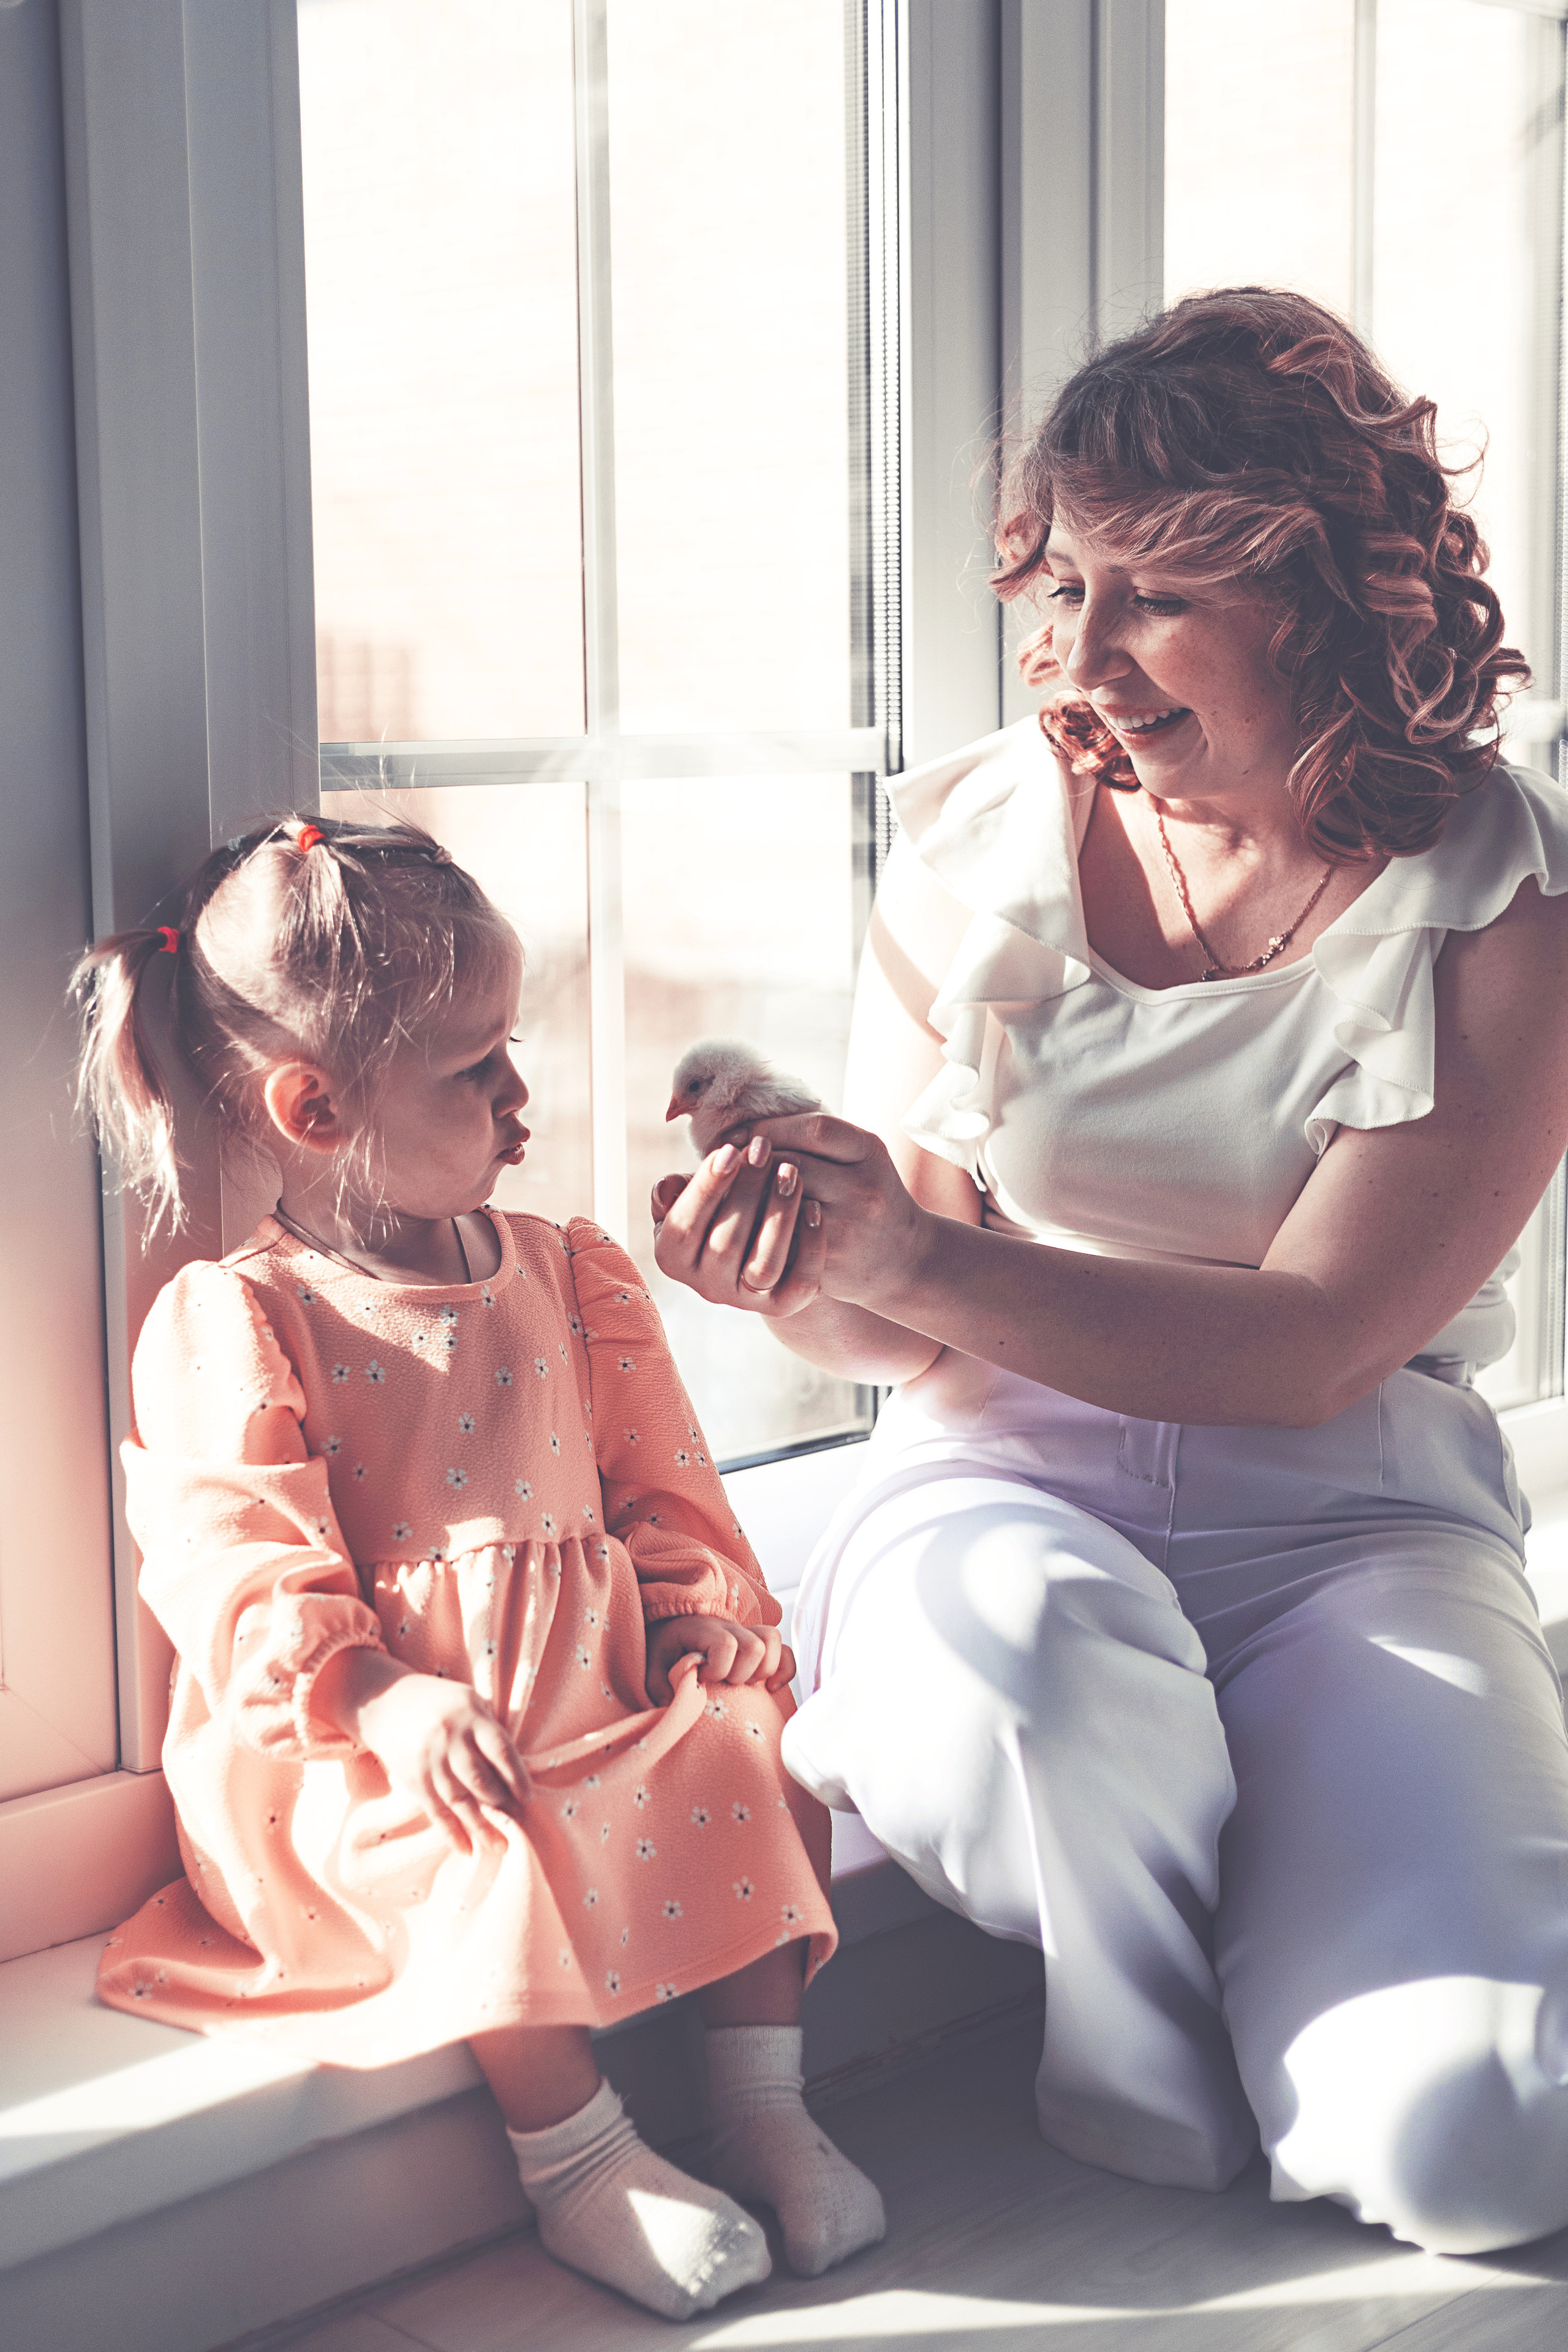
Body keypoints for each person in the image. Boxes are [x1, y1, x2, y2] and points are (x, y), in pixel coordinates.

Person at [652, 288, 1568, 2256]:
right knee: (1042, 1666)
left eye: (1154, 594)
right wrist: (801, 1263)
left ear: (1328, 601)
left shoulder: (1496, 889)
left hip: (1353, 1533)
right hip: (1001, 1491)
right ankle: (1131, 2050)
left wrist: (906, 1255)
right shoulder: (983, 834)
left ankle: (1304, 1863)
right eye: (1063, 586)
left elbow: (1323, 1344)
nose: (1081, 656)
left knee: (1483, 2152)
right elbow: (896, 1319)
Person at [72, 815, 884, 2321]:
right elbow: (235, 1562)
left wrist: (698, 1616)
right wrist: (377, 1698)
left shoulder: (569, 1270)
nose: (523, 1096)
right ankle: (578, 2162)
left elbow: (664, 1487)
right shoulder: (237, 1317)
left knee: (748, 1748)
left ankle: (761, 2110)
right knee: (470, 1840)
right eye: (474, 1068)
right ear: (316, 1107)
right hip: (381, 1757)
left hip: (601, 1709)